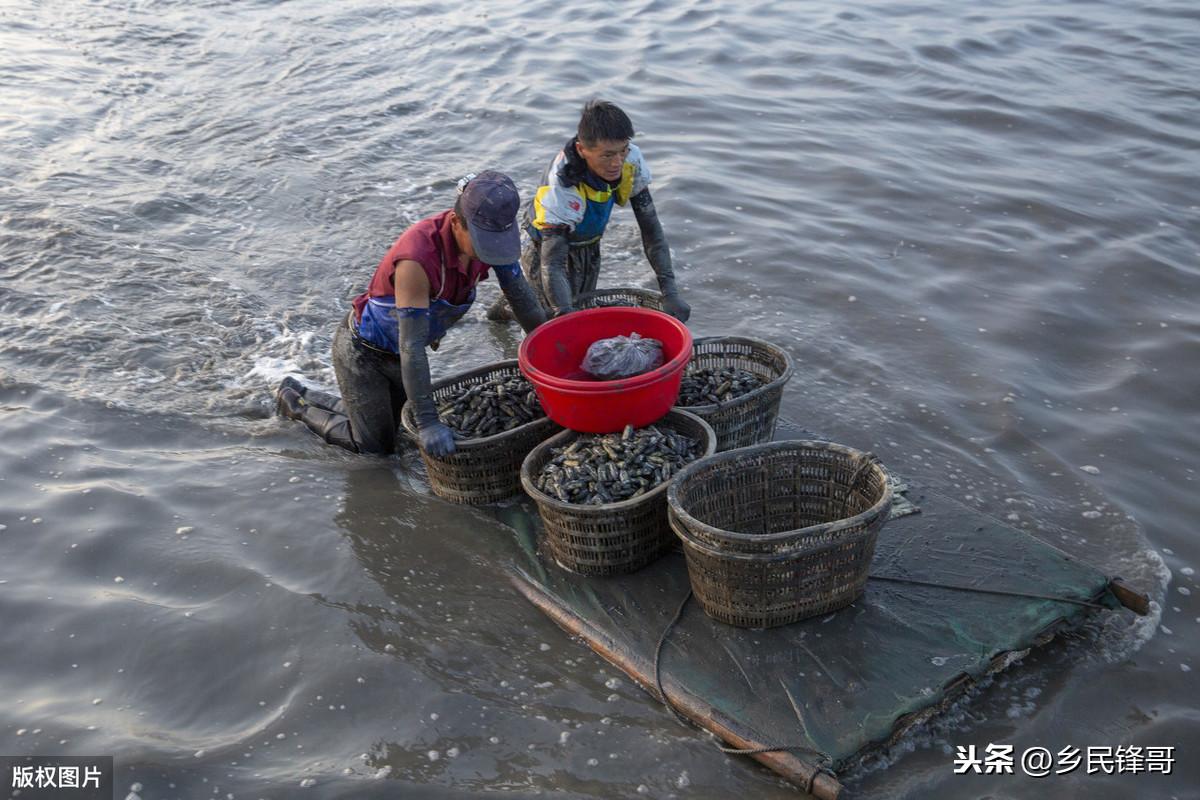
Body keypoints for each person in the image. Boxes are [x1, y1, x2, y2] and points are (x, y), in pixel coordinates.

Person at [276, 171, 546, 456]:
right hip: (364, 354)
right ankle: (294, 404)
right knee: (374, 447)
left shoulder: (493, 245)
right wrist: (428, 421)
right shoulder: (418, 258)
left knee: (396, 429)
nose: (491, 252)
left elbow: (522, 300)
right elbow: (412, 346)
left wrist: (551, 352)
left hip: (400, 354)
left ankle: (312, 395)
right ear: (456, 223)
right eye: (484, 243)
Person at [488, 100, 690, 322]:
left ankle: (513, 302)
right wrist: (564, 314)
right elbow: (552, 264)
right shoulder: (561, 186)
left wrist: (670, 292)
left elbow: (651, 230)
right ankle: (512, 306)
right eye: (607, 155)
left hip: (587, 243)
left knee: (581, 304)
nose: (617, 162)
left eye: (622, 151)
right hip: (545, 245)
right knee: (547, 321)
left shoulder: (629, 158)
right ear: (582, 150)